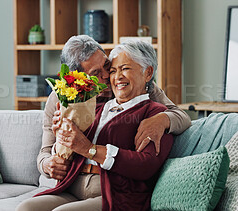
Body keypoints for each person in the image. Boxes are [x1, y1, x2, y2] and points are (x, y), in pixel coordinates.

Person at [17, 40, 175, 211]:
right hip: (72, 185)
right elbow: (62, 147)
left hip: (114, 191)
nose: (111, 77)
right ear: (79, 79)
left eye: (122, 68)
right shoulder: (91, 105)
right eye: (113, 70)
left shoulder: (153, 112)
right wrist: (61, 135)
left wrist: (164, 118)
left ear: (147, 73)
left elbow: (146, 165)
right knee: (26, 208)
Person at [37, 35, 191, 184]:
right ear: (76, 77)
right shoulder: (59, 99)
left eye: (106, 65)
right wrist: (46, 164)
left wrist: (161, 120)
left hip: (111, 180)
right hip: (75, 178)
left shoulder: (129, 85)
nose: (107, 76)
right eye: (95, 73)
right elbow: (45, 151)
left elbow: (181, 116)